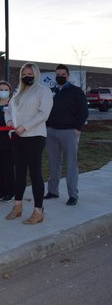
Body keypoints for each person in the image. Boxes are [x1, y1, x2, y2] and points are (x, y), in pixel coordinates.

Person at [4, 63, 53, 224]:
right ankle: (17, 206)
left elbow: (43, 114)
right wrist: (10, 121)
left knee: (35, 174)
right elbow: (8, 110)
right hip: (17, 137)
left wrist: (25, 126)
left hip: (34, 137)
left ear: (36, 74)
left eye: (30, 73)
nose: (27, 76)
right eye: (24, 73)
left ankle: (38, 211)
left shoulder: (43, 91)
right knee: (19, 173)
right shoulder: (18, 92)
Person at [44, 64, 89, 206]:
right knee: (53, 163)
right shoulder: (50, 92)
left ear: (68, 76)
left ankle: (73, 195)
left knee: (71, 164)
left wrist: (77, 128)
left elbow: (83, 111)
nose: (60, 76)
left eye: (63, 74)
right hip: (51, 131)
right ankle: (53, 191)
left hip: (69, 132)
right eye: (58, 74)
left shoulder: (76, 92)